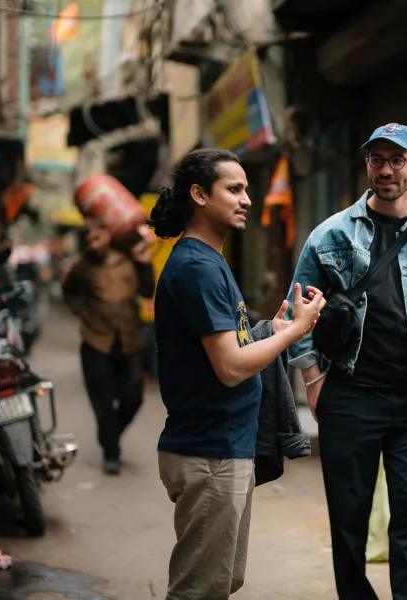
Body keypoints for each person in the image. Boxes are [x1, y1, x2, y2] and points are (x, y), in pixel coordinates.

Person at [285, 123, 407, 600]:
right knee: (349, 519)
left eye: (397, 160)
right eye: (377, 159)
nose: (386, 169)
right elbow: (294, 314)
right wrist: (314, 381)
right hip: (350, 393)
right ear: (367, 164)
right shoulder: (329, 236)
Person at [148, 148, 325, 600]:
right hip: (209, 453)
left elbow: (233, 347)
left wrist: (275, 331)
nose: (247, 199)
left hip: (225, 448)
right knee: (200, 590)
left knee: (223, 582)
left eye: (246, 188)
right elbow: (229, 367)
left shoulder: (210, 261)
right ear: (199, 195)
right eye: (234, 189)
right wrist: (296, 334)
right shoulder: (196, 267)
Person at [62, 216, 154, 475]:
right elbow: (69, 291)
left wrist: (146, 267)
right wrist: (82, 313)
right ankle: (111, 453)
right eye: (89, 239)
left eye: (97, 237)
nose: (93, 244)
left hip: (130, 340)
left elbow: (148, 291)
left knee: (133, 397)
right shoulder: (83, 266)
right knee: (102, 401)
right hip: (96, 342)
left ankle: (109, 435)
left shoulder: (130, 259)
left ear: (109, 234)